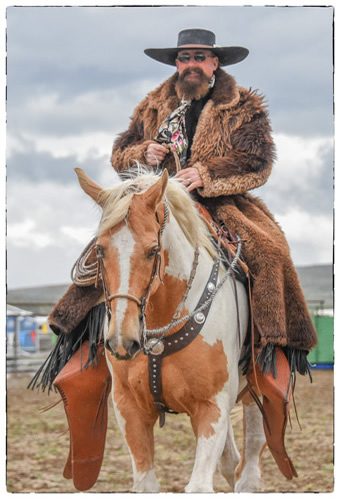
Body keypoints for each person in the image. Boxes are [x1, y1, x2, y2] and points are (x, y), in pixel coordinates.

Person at [111, 28, 317, 374]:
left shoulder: (244, 106)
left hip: (223, 202)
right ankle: (80, 344)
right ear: (176, 63)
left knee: (271, 251)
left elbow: (258, 161)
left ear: (214, 63)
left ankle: (273, 352)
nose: (191, 64)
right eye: (184, 58)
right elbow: (119, 155)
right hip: (157, 201)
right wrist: (141, 152)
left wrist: (206, 175)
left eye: (199, 58)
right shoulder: (151, 106)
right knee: (106, 248)